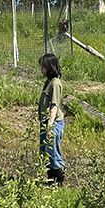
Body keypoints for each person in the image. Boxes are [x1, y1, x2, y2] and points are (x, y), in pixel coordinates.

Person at [38, 53, 66, 185]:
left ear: (49, 67)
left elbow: (54, 106)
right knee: (45, 151)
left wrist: (49, 125)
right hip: (46, 122)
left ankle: (58, 181)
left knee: (53, 151)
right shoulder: (49, 82)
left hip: (53, 122)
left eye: (43, 66)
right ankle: (50, 180)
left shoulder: (55, 83)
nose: (41, 69)